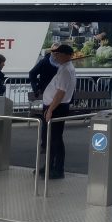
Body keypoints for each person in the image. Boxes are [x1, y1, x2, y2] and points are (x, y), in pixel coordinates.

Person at [40, 44, 76, 179]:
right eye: (55, 54)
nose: (56, 56)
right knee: (51, 139)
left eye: (59, 54)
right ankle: (49, 166)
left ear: (67, 55)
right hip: (54, 106)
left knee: (55, 139)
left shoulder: (67, 70)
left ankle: (58, 169)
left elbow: (61, 92)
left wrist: (50, 110)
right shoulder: (63, 68)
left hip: (57, 108)